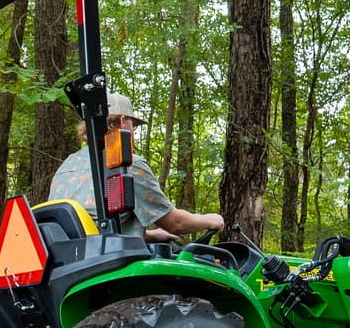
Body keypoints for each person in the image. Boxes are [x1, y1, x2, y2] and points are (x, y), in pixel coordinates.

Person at [45, 94, 225, 242]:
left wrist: (150, 235)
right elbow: (175, 223)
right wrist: (210, 219)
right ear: (123, 122)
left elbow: (89, 225)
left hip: (68, 260)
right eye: (134, 125)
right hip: (107, 265)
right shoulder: (127, 163)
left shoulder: (67, 164)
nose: (135, 132)